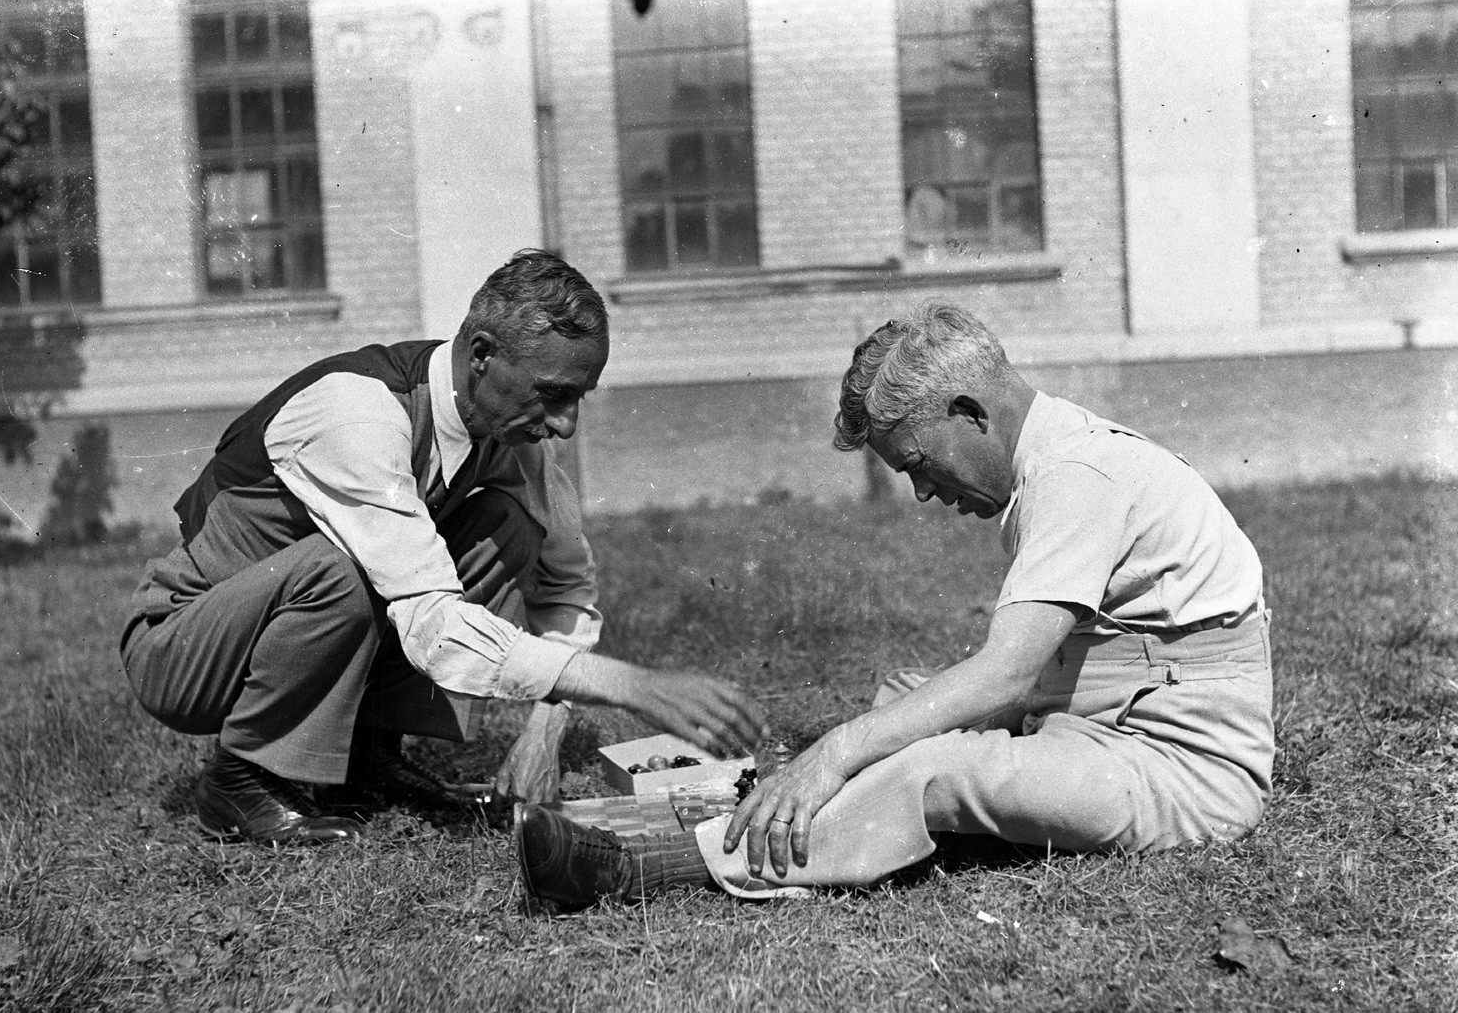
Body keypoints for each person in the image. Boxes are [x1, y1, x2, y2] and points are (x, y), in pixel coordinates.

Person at [515, 303, 1273, 912]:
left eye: (917, 462)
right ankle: (790, 807)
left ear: (969, 411)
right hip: (1108, 707)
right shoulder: (1059, 456)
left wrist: (838, 750)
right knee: (908, 700)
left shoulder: (1077, 474)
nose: (923, 492)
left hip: (1183, 765)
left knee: (936, 763)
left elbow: (1007, 676)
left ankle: (675, 857)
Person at [120, 250, 765, 846]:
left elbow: (566, 584)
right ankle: (241, 780)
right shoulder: (357, 414)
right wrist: (634, 686)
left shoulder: (509, 438)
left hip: (280, 629)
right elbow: (433, 623)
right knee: (340, 570)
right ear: (481, 354)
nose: (567, 423)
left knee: (506, 526)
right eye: (555, 393)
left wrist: (546, 725)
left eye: (580, 397)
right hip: (184, 648)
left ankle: (364, 759)